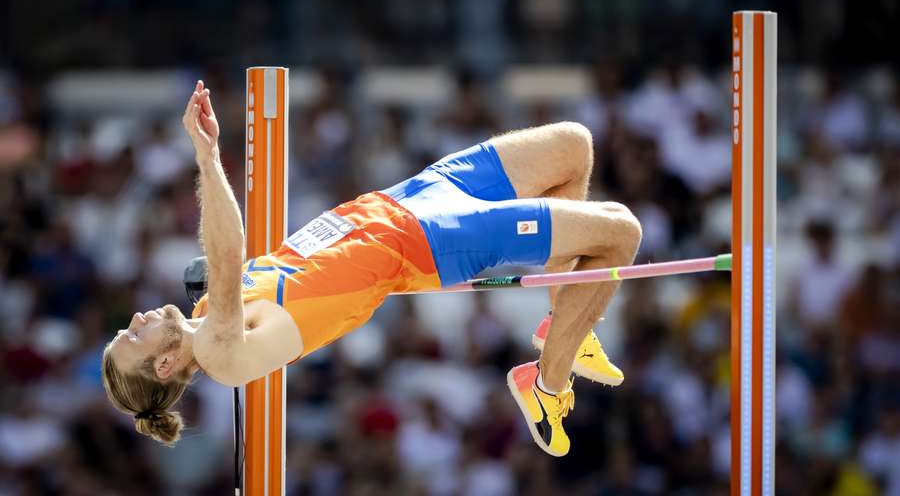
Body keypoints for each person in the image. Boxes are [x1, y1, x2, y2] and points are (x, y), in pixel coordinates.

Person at [102, 81, 642, 457]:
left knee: (573, 145)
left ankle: (564, 334)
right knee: (621, 231)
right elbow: (226, 254)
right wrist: (208, 154)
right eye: (134, 337)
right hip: (428, 242)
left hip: (406, 199)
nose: (136, 319)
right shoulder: (224, 353)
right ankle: (548, 384)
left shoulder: (202, 310)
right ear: (167, 365)